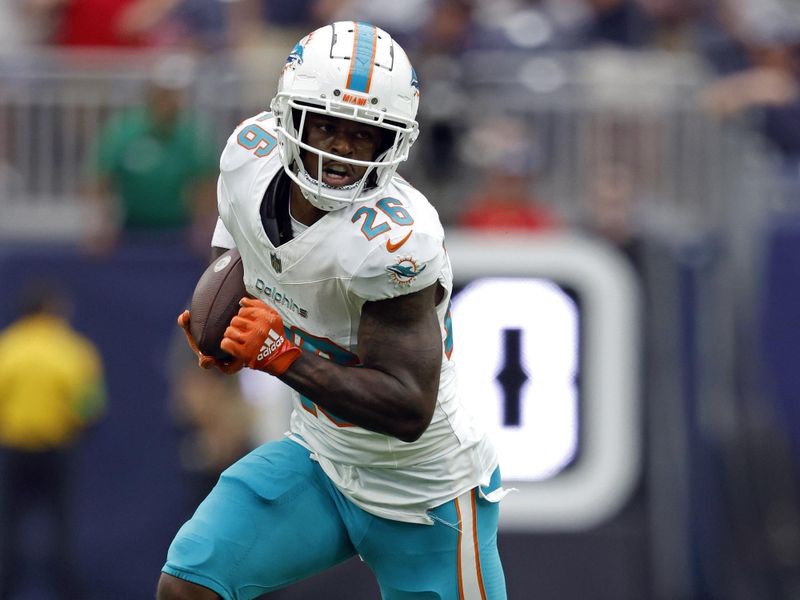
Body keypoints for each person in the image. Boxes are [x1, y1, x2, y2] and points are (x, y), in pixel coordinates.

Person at [158, 21, 508, 600]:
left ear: (393, 143)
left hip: (425, 494)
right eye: (326, 123)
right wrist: (219, 329)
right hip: (321, 459)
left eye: (363, 133)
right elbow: (239, 251)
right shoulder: (250, 156)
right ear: (289, 117)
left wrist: (279, 355)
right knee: (190, 586)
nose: (341, 147)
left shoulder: (395, 239)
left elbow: (407, 406)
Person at [0, 280, 106, 599]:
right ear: (51, 309)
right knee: (61, 528)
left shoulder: (8, 347)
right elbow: (89, 406)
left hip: (13, 450)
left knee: (7, 527)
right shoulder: (72, 350)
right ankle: (66, 591)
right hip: (56, 449)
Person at [85, 54, 218, 254]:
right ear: (153, 94)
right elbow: (101, 179)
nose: (173, 101)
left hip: (179, 231)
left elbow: (206, 182)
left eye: (177, 94)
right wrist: (100, 224)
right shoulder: (124, 131)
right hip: (130, 230)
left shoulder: (192, 135)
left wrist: (203, 226)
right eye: (167, 94)